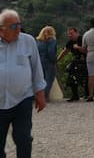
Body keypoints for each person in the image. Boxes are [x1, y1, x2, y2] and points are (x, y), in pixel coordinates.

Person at [0, 9, 46, 158]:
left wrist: (40, 93)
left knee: (23, 138)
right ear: (2, 29)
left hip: (22, 98)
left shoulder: (28, 41)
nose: (18, 29)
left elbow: (36, 67)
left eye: (19, 24)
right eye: (13, 26)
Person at [57, 27, 88, 102]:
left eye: (71, 33)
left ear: (76, 33)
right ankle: (75, 95)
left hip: (86, 61)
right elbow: (65, 51)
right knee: (71, 76)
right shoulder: (70, 42)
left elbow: (88, 51)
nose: (70, 35)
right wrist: (57, 60)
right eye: (69, 34)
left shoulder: (82, 39)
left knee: (86, 77)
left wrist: (78, 48)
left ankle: (87, 94)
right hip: (77, 61)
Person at [35, 26, 57, 102]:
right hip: (49, 62)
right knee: (49, 79)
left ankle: (39, 96)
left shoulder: (39, 42)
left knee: (42, 79)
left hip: (40, 62)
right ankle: (45, 96)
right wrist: (54, 60)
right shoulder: (51, 41)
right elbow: (51, 52)